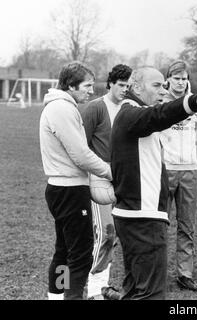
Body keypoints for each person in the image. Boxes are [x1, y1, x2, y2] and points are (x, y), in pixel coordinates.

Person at [110, 66, 197, 300]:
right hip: (142, 220)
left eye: (164, 85)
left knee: (134, 290)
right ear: (137, 87)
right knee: (151, 294)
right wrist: (195, 101)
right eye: (157, 85)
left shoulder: (134, 113)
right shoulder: (131, 113)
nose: (163, 90)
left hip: (136, 217)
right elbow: (160, 115)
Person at [39, 61, 112, 300]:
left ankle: (57, 297)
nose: (91, 90)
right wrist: (110, 172)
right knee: (80, 255)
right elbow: (81, 155)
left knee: (64, 250)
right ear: (71, 85)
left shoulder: (61, 106)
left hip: (62, 189)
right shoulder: (62, 108)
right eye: (87, 85)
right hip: (69, 191)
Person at [80, 64, 132, 300]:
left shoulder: (130, 108)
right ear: (110, 83)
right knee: (105, 232)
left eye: (128, 86)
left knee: (116, 234)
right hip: (98, 180)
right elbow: (81, 146)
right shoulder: (95, 108)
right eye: (121, 85)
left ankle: (102, 284)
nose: (124, 90)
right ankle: (93, 289)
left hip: (122, 181)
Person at [159, 60, 197, 291]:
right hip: (165, 170)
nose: (181, 82)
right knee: (160, 225)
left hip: (189, 171)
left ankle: (185, 274)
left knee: (187, 225)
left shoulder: (196, 103)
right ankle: (157, 274)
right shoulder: (159, 101)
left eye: (184, 78)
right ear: (168, 79)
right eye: (176, 78)